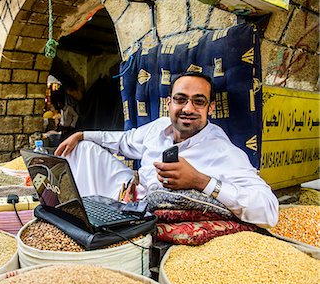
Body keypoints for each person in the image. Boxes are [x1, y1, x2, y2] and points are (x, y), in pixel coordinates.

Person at [55, 72, 278, 228]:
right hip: (128, 194)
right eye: (181, 100)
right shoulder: (160, 126)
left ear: (210, 108)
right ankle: (81, 217)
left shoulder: (223, 151)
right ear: (169, 103)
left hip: (149, 218)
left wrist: (200, 181)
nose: (188, 109)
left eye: (198, 102)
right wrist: (81, 134)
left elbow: (268, 211)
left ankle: (99, 220)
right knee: (83, 150)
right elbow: (124, 140)